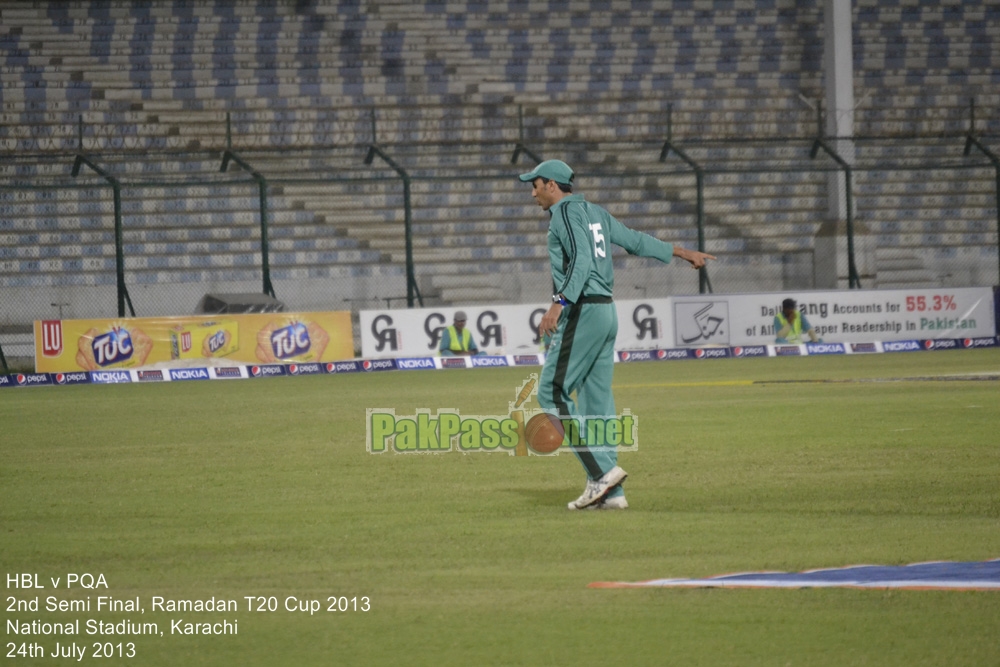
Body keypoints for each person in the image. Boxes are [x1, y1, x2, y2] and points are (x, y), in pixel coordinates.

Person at [520, 159, 715, 510]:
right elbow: (635, 241)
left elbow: (579, 260)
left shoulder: (564, 214)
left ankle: (601, 476)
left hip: (582, 310)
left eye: (535, 184)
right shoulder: (595, 212)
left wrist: (558, 303)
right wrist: (682, 252)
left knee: (551, 392)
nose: (532, 192)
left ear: (552, 185)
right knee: (597, 403)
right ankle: (614, 495)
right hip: (606, 311)